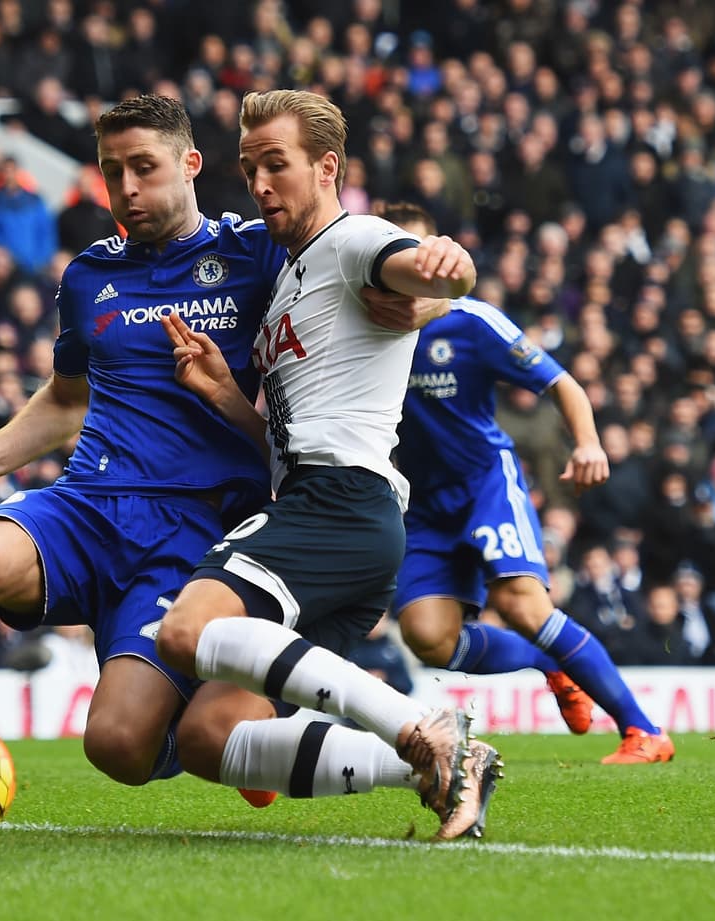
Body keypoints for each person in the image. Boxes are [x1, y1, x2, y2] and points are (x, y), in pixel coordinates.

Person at [0, 94, 393, 842]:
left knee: (118, 744)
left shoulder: (257, 254)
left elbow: (359, 257)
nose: (126, 190)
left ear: (191, 164)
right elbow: (67, 396)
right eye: (111, 172)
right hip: (87, 504)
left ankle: (242, 730)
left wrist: (422, 304)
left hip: (191, 534)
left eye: (143, 168)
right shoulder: (90, 275)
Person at [154, 89, 499, 841]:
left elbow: (429, 271)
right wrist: (225, 392)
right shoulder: (290, 277)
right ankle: (437, 766)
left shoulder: (352, 242)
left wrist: (452, 270)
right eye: (250, 169)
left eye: (276, 164)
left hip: (336, 502)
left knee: (184, 630)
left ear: (326, 166)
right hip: (337, 514)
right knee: (213, 737)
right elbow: (293, 427)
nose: (261, 184)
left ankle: (421, 725)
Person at [382, 202, 674, 765]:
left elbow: (561, 383)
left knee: (522, 604)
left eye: (417, 257)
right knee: (429, 638)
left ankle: (643, 730)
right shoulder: (368, 329)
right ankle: (549, 662)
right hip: (421, 506)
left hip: (485, 483)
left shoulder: (472, 322)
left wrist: (588, 442)